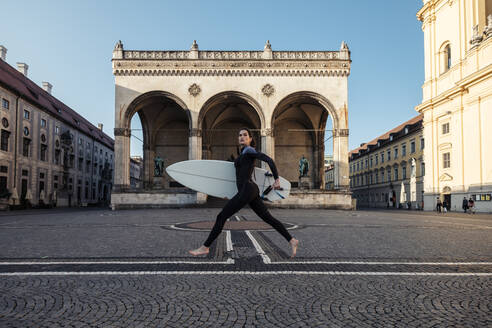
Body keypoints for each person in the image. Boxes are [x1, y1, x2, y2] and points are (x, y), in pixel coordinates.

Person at [189, 128, 299, 257]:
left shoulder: (249, 151)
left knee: (221, 216)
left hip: (247, 189)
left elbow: (269, 160)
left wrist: (276, 179)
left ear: (250, 139)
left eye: (245, 135)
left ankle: (205, 247)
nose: (242, 137)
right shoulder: (243, 154)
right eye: (240, 135)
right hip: (249, 190)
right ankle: (292, 240)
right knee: (268, 218)